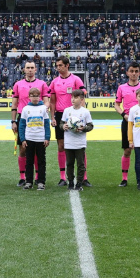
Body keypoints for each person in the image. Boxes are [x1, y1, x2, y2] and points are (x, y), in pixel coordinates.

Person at [115, 62, 140, 188]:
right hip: (128, 122)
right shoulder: (122, 87)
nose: (133, 73)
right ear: (127, 72)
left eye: (136, 71)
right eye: (131, 71)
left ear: (139, 72)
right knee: (127, 150)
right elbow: (116, 104)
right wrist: (123, 115)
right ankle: (124, 179)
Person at [49, 56, 86, 187]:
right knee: (61, 145)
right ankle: (62, 177)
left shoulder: (76, 79)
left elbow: (82, 96)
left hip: (76, 114)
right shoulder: (54, 82)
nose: (58, 68)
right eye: (57, 66)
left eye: (60, 65)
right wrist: (52, 117)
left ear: (67, 65)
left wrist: (83, 114)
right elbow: (52, 101)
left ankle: (84, 177)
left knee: (80, 146)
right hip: (60, 115)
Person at [11, 61, 48, 188]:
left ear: (36, 69)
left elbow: (47, 102)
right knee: (23, 148)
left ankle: (38, 178)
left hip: (38, 117)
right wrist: (13, 121)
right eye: (28, 68)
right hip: (23, 117)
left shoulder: (42, 84)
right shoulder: (18, 84)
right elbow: (14, 104)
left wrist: (42, 110)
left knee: (38, 149)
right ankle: (23, 178)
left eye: (32, 68)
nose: (30, 70)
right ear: (24, 69)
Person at [19, 85, 52, 190]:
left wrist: (47, 137)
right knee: (29, 161)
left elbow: (47, 124)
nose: (35, 98)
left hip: (40, 139)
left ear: (40, 97)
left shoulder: (43, 108)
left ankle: (41, 182)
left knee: (41, 161)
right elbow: (22, 125)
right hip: (29, 139)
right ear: (29, 96)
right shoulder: (25, 109)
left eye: (37, 96)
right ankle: (28, 182)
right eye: (33, 96)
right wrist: (23, 139)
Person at [62, 90, 93, 191]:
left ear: (81, 99)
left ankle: (79, 183)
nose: (73, 99)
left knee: (80, 164)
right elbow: (61, 124)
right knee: (69, 163)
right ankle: (70, 182)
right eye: (72, 97)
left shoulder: (85, 112)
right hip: (68, 142)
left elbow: (90, 125)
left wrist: (83, 128)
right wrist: (64, 126)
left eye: (75, 98)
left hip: (80, 143)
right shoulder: (67, 111)